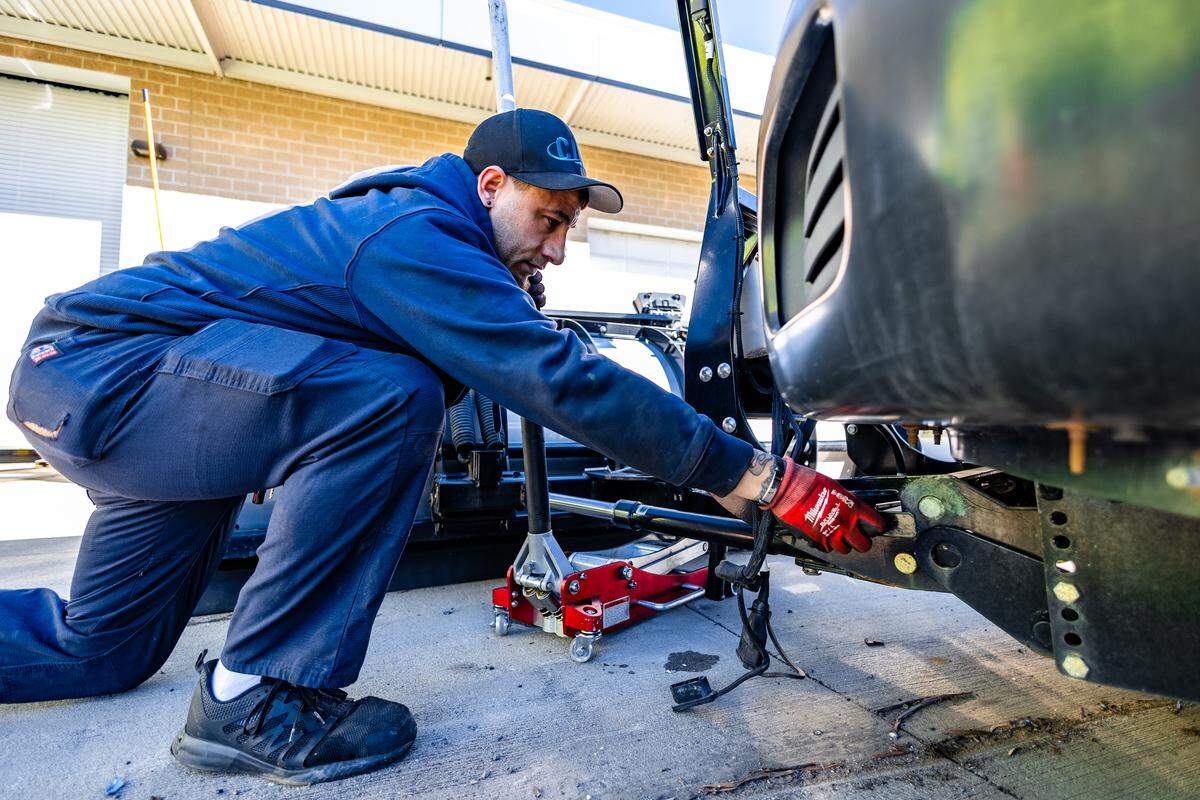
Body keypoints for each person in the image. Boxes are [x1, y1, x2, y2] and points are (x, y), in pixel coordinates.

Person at [0, 109, 883, 784]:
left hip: (147, 406)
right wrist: (752, 477)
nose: (560, 248)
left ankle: (209, 684)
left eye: (571, 226)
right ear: (490, 185)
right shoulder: (413, 233)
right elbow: (555, 379)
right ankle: (254, 693)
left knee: (102, 650)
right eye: (548, 218)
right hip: (102, 373)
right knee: (389, 397)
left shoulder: (432, 238)